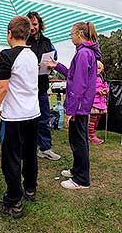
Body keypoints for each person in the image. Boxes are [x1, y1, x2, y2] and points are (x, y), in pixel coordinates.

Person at [0, 16, 40, 218]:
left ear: (9, 34)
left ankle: (13, 201)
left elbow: (2, 88)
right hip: (33, 114)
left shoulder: (6, 55)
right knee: (30, 154)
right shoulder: (32, 55)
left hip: (14, 117)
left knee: (11, 159)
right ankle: (30, 188)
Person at [44, 21, 102, 189]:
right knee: (77, 139)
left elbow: (79, 84)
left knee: (79, 142)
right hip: (81, 105)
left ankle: (82, 180)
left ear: (80, 34)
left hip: (79, 106)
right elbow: (72, 74)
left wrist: (70, 110)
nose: (70, 37)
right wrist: (57, 66)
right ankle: (77, 170)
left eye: (71, 34)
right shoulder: (84, 53)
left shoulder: (83, 53)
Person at [26, 11, 61, 161]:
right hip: (26, 87)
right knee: (27, 120)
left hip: (41, 86)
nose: (32, 27)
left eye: (35, 24)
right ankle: (27, 148)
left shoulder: (47, 42)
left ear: (40, 24)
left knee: (44, 118)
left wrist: (51, 66)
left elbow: (55, 58)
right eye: (29, 24)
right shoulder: (23, 41)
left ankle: (45, 148)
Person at [88, 61, 109, 144]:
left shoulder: (102, 78)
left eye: (99, 68)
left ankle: (93, 134)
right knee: (93, 120)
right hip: (94, 102)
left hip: (101, 102)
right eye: (95, 68)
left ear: (102, 69)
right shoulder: (90, 77)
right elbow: (89, 88)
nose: (97, 70)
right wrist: (97, 91)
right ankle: (91, 136)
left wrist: (105, 90)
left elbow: (106, 87)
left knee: (97, 119)